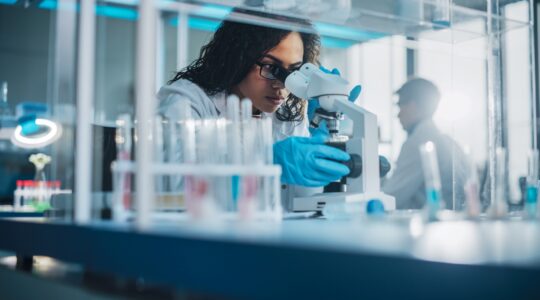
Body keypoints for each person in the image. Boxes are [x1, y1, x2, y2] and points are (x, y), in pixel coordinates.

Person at [157, 11, 356, 207]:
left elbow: (303, 200)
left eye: (293, 71)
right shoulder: (187, 103)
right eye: (270, 68)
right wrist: (267, 161)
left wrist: (319, 145)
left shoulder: (287, 115)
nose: (281, 85)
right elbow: (176, 192)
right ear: (237, 57)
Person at [382, 78, 468, 210]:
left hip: (433, 226)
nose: (398, 115)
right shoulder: (447, 141)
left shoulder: (419, 142)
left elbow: (391, 198)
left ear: (413, 106)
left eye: (400, 106)